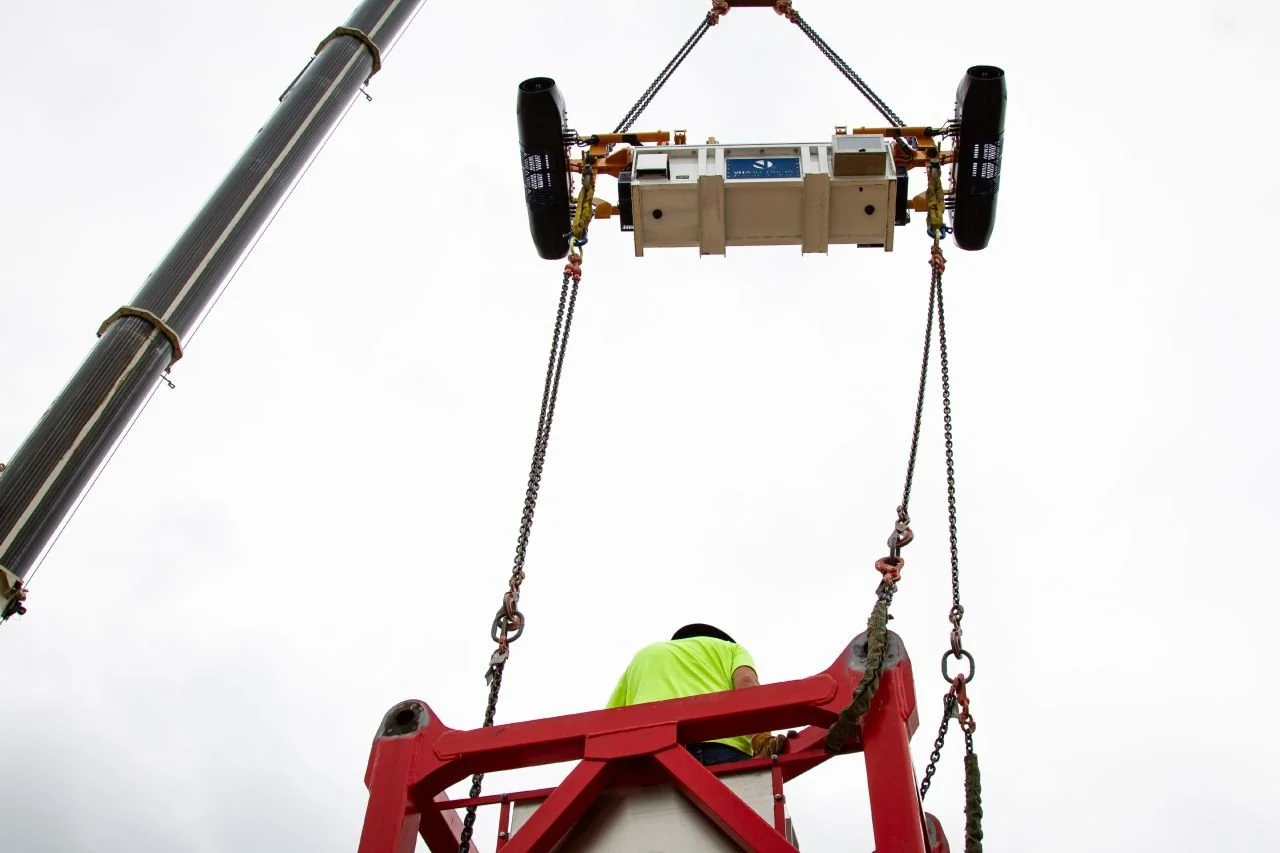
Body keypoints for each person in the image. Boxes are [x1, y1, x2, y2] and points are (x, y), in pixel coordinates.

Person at [606, 623, 788, 765]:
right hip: (720, 748)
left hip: (648, 755)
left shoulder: (644, 655)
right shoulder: (732, 649)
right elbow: (747, 683)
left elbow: (609, 724)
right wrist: (761, 737)